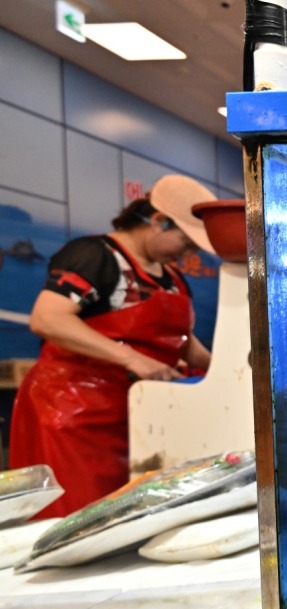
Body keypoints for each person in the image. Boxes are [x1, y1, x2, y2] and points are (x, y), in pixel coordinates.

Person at [9, 175, 218, 519]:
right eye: (185, 240)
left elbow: (183, 343)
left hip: (136, 417)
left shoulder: (172, 277)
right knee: (78, 519)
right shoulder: (95, 256)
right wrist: (133, 358)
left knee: (130, 518)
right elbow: (47, 319)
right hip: (73, 413)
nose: (189, 253)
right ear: (157, 222)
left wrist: (229, 373)